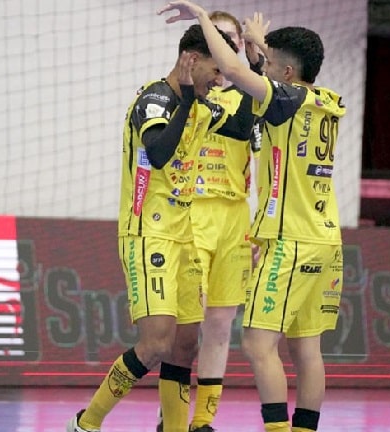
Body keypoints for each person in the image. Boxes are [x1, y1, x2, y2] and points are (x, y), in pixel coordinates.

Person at [158, 2, 347, 432]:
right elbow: (275, 73)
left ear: (283, 75)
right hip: (327, 240)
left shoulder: (281, 101)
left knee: (259, 344)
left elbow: (239, 71)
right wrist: (261, 46)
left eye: (271, 67)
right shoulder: (325, 101)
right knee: (308, 350)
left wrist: (203, 19)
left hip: (290, 240)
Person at [66, 24, 252, 432]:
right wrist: (187, 101)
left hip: (184, 235)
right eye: (215, 71)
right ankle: (86, 422)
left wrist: (254, 66)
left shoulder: (203, 102)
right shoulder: (155, 99)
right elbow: (161, 153)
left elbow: (243, 128)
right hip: (148, 235)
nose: (219, 82)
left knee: (185, 345)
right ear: (191, 60)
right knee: (156, 344)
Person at [154, 10, 265, 432]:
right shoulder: (192, 89)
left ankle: (203, 420)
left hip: (234, 215)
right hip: (192, 209)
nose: (226, 46)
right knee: (186, 325)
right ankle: (172, 416)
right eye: (217, 38)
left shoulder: (251, 94)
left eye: (232, 40)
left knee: (220, 324)